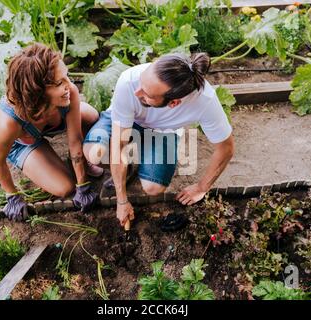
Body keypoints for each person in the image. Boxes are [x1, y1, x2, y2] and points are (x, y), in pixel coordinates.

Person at [83, 52, 235, 228]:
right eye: (141, 82)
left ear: (173, 103)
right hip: (125, 121)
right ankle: (129, 165)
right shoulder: (128, 81)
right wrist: (122, 201)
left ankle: (140, 156)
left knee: (153, 188)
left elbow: (226, 148)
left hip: (162, 131)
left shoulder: (205, 102)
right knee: (95, 154)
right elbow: (119, 146)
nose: (137, 91)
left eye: (146, 93)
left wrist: (202, 187)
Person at [0, 43, 103, 221]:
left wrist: (83, 184)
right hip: (24, 142)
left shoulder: (69, 91)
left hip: (54, 116)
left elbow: (74, 141)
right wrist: (12, 195)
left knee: (92, 116)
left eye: (67, 76)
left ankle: (82, 163)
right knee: (65, 188)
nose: (69, 85)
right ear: (38, 92)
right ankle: (38, 155)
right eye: (59, 82)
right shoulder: (9, 121)